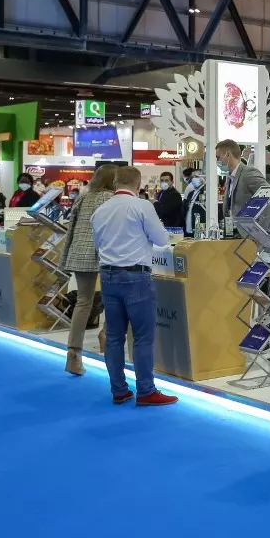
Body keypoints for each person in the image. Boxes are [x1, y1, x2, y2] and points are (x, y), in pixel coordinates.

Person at [90, 166, 176, 406]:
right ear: (138, 185)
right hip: (136, 277)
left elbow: (98, 243)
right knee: (142, 337)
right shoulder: (142, 206)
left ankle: (119, 390)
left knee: (114, 336)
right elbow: (162, 239)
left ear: (115, 183)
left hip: (108, 276)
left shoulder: (100, 210)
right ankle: (146, 391)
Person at [59, 165, 117, 376]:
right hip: (106, 254)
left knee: (83, 302)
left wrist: (67, 254)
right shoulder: (111, 198)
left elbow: (72, 226)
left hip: (79, 252)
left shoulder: (83, 196)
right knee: (114, 299)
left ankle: (73, 353)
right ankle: (106, 335)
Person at [216, 139, 267, 224]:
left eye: (218, 157)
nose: (217, 161)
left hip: (247, 230)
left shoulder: (249, 173)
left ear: (228, 154)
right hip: (232, 229)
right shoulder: (230, 178)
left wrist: (259, 227)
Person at [183, 172, 207, 237]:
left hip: (198, 230)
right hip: (187, 230)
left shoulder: (206, 193)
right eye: (193, 177)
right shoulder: (191, 193)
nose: (194, 179)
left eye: (197, 177)